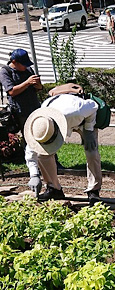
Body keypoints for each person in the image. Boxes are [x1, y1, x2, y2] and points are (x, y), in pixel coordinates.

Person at [23, 91, 102, 203]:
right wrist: (34, 175)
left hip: (83, 120)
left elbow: (93, 105)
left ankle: (94, 191)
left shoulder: (76, 112)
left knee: (91, 152)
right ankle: (54, 188)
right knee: (42, 155)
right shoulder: (39, 124)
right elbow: (31, 151)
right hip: (59, 116)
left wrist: (89, 129)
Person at [0, 49, 43, 194]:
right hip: (20, 111)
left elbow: (39, 88)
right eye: (22, 64)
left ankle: (51, 162)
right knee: (30, 140)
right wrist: (27, 82)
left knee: (44, 135)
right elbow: (11, 91)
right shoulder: (5, 72)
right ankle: (33, 167)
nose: (25, 67)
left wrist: (37, 84)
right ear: (14, 62)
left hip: (35, 107)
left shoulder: (28, 69)